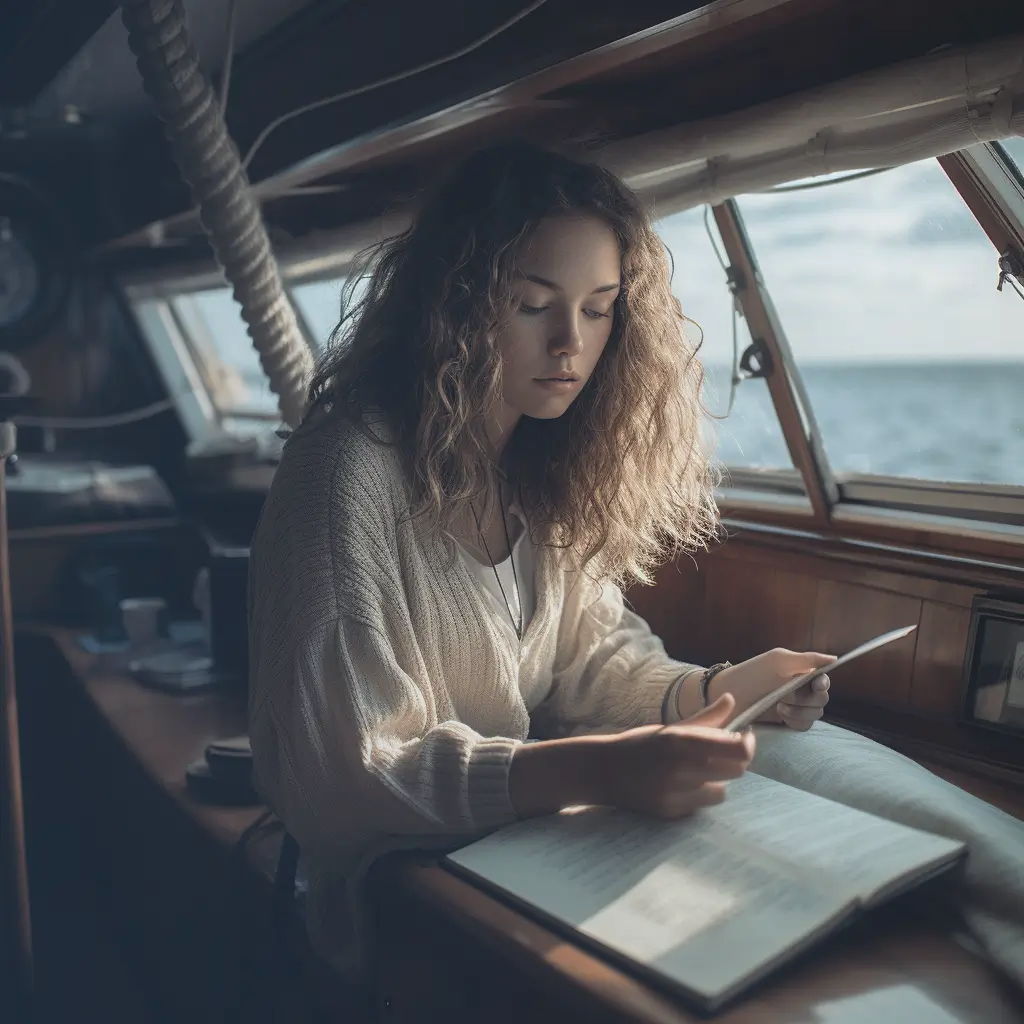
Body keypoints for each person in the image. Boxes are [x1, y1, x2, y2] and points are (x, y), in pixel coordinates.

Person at [247, 143, 833, 975]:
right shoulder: (344, 475)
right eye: (532, 304)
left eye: (599, 309)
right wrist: (600, 769)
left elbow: (589, 661)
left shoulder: (537, 468)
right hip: (397, 905)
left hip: (523, 863)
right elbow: (344, 777)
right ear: (452, 303)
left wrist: (719, 688)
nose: (571, 343)